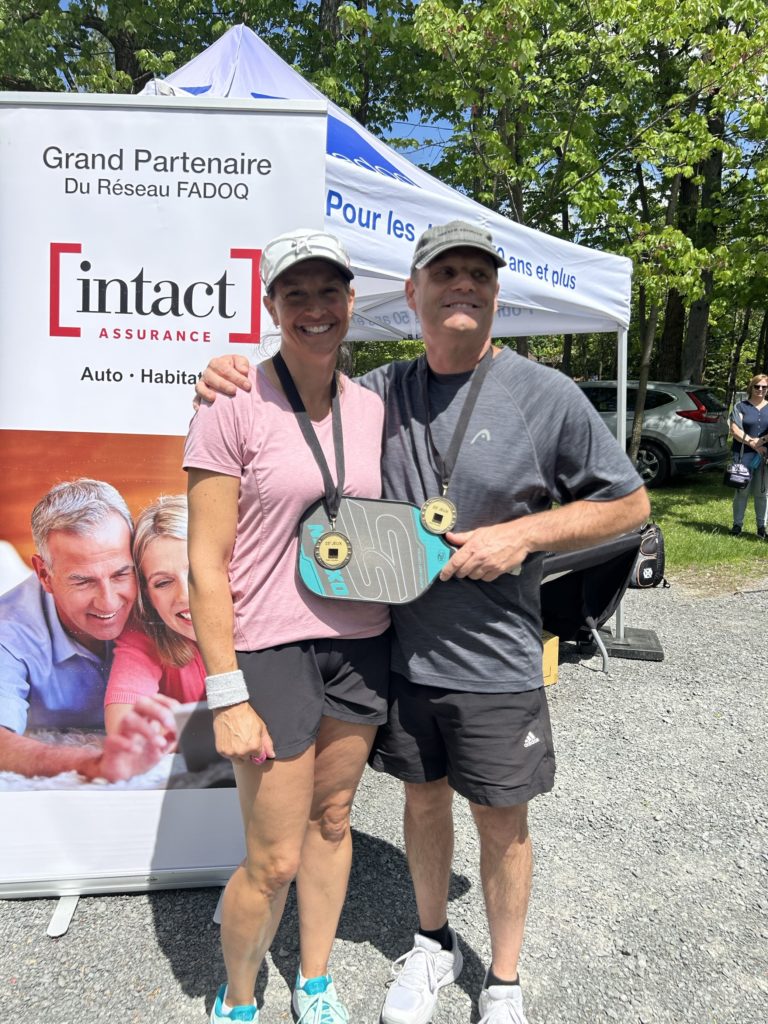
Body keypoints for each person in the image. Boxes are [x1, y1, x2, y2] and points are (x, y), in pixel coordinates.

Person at [196, 220, 650, 1024]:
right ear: (413, 295)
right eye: (446, 273)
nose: (463, 286)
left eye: (479, 273)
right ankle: (406, 952)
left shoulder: (534, 393)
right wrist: (222, 372)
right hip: (389, 654)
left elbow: (631, 504)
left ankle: (496, 982)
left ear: (496, 292)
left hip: (476, 658)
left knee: (480, 824)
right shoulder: (382, 392)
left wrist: (525, 534)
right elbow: (280, 419)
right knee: (390, 814)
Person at [184, 229, 391, 1024]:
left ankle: (314, 979)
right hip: (270, 650)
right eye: (295, 294)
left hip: (362, 643)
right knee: (272, 858)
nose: (315, 308)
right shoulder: (232, 403)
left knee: (333, 822)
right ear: (270, 306)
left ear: (349, 302)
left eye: (329, 292)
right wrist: (226, 691)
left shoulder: (373, 406)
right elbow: (206, 563)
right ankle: (237, 999)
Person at [0, 478, 177, 781]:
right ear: (45, 575)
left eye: (122, 574)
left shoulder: (166, 594)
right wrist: (93, 763)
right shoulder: (10, 632)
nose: (108, 602)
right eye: (82, 580)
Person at [104, 494, 205, 733]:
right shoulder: (144, 635)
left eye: (197, 571)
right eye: (162, 583)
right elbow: (123, 727)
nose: (184, 595)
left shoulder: (263, 621)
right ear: (147, 595)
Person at [728, 374, 768, 538]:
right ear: (751, 387)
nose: (760, 390)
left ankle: (761, 528)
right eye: (757, 386)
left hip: (765, 456)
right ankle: (737, 525)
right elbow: (735, 430)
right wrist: (753, 444)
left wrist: (763, 441)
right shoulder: (740, 406)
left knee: (762, 493)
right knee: (741, 491)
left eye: (764, 387)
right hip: (742, 455)